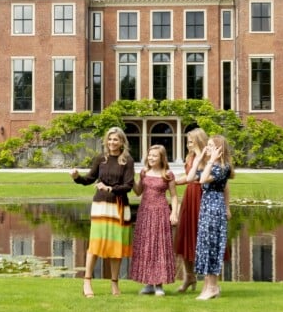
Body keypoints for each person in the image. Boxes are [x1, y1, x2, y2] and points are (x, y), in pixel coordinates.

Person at [70, 126, 134, 298]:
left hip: (119, 206)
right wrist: (77, 177)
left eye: (116, 139)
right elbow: (89, 179)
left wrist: (110, 189)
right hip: (101, 206)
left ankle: (114, 283)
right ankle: (87, 281)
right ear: (106, 141)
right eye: (110, 139)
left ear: (122, 142)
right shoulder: (101, 159)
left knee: (116, 246)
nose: (112, 142)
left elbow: (128, 185)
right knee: (95, 245)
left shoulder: (127, 160)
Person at [174, 128, 232, 293]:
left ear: (199, 141)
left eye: (191, 141)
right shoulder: (191, 157)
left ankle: (211, 283)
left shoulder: (210, 158)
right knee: (185, 236)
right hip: (190, 197)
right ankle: (189, 276)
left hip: (204, 198)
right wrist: (172, 181)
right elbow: (189, 177)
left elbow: (224, 185)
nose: (188, 144)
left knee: (207, 240)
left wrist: (227, 207)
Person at [130, 145, 178, 297]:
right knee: (146, 246)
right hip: (144, 212)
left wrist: (174, 213)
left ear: (162, 158)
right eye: (149, 155)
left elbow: (174, 196)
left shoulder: (168, 174)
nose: (151, 158)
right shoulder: (144, 172)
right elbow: (138, 192)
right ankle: (148, 283)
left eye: (154, 156)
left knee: (159, 247)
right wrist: (130, 178)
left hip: (161, 213)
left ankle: (159, 285)